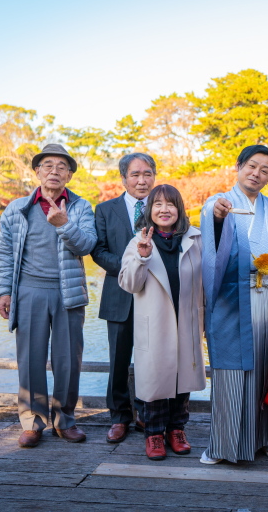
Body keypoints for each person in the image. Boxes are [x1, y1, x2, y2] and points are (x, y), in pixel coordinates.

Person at [0, 143, 97, 448]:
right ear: (37, 171)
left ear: (69, 174)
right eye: (47, 165)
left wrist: (64, 225)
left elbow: (87, 245)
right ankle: (32, 422)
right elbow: (4, 253)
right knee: (30, 360)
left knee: (67, 361)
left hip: (68, 292)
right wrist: (2, 291)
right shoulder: (17, 208)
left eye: (61, 166)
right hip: (28, 291)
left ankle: (65, 420)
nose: (54, 171)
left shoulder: (80, 207)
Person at [199, 145, 268, 464]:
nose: (257, 174)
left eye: (265, 170)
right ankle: (224, 444)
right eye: (252, 166)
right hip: (233, 299)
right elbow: (211, 237)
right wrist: (219, 217)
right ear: (238, 166)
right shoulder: (218, 201)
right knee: (233, 370)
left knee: (267, 365)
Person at [118, 185, 206, 460]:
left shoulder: (194, 239)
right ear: (149, 210)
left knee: (182, 378)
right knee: (156, 380)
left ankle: (176, 430)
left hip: (186, 319)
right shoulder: (139, 241)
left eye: (170, 204)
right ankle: (154, 435)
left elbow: (204, 282)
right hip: (155, 323)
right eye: (158, 204)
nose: (164, 209)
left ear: (179, 209)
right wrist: (142, 257)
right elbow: (129, 284)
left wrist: (201, 319)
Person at [91, 152, 156, 444]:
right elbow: (98, 251)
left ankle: (146, 412)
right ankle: (119, 417)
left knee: (150, 358)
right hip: (118, 294)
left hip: (154, 296)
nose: (142, 180)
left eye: (147, 174)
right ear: (124, 178)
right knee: (118, 361)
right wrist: (129, 267)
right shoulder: (105, 210)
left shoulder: (164, 206)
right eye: (135, 175)